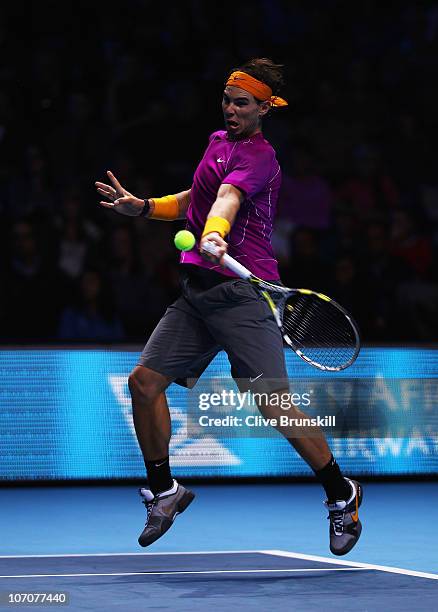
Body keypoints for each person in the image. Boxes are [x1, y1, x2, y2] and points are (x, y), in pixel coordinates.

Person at [95, 58, 363, 556]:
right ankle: (165, 490)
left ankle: (340, 493)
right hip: (197, 292)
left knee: (274, 404)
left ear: (264, 107)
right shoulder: (218, 144)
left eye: (242, 103)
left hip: (243, 297)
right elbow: (196, 200)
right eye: (227, 100)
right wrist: (146, 206)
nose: (232, 109)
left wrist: (216, 234)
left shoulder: (261, 157)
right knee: (143, 383)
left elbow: (226, 200)